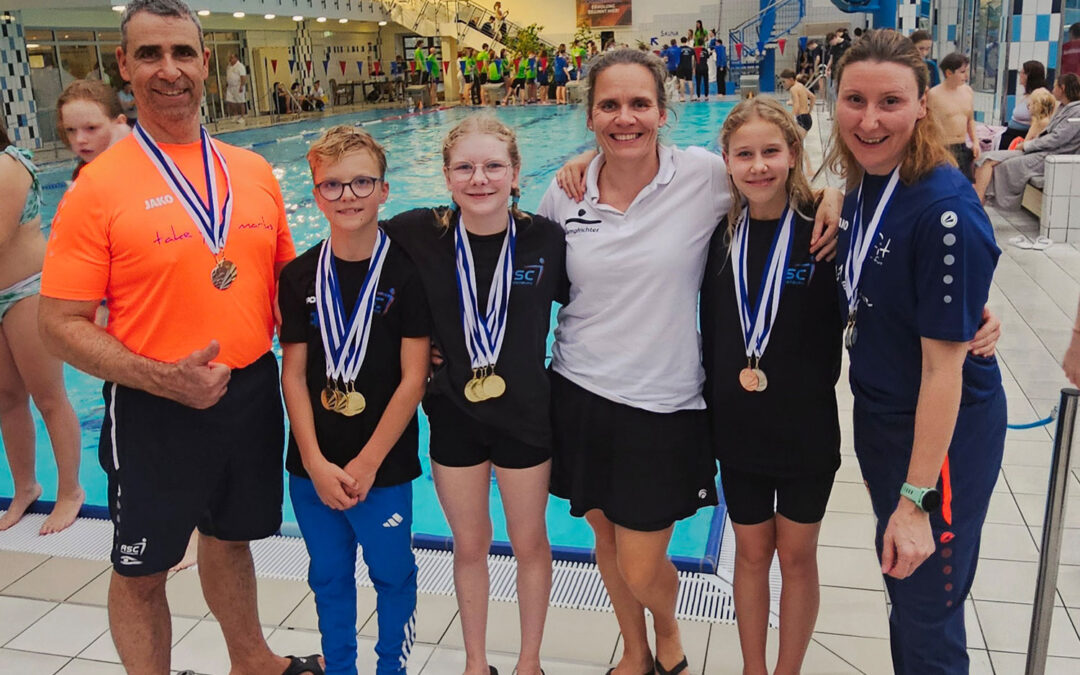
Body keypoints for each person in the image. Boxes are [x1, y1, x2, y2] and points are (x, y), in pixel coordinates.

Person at [37, 2, 319, 673]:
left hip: (248, 393)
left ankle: (252, 660)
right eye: (151, 54)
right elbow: (57, 323)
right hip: (152, 404)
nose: (170, 70)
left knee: (230, 538)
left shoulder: (251, 170)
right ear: (125, 67)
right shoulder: (96, 187)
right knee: (142, 567)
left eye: (183, 53)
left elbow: (286, 288)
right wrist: (162, 377)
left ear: (206, 62)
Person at [543, 48, 844, 675]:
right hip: (577, 390)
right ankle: (635, 650)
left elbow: (780, 181)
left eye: (639, 104)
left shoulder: (704, 176)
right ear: (590, 114)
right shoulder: (564, 190)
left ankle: (668, 625)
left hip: (663, 401)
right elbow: (531, 281)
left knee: (641, 562)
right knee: (603, 537)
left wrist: (834, 195)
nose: (625, 118)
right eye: (609, 105)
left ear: (663, 111)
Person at [826, 29, 1005, 674]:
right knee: (907, 595)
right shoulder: (877, 177)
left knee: (929, 613)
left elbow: (942, 370)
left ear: (922, 105)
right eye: (855, 100)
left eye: (890, 102)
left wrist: (915, 500)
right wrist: (832, 195)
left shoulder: (944, 209)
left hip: (936, 445)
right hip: (885, 419)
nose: (869, 120)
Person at [383, 114, 566, 675]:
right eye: (465, 167)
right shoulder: (418, 232)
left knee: (530, 542)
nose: (479, 178)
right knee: (469, 545)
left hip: (527, 415)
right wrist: (409, 344)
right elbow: (357, 263)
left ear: (515, 175)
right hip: (454, 414)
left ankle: (529, 661)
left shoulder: (545, 238)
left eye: (493, 167)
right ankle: (475, 662)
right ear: (446, 176)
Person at [279, 126, 430, 675]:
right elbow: (292, 375)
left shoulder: (408, 273)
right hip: (312, 467)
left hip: (383, 467)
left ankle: (391, 668)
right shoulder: (298, 276)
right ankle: (339, 668)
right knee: (328, 576)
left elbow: (414, 379)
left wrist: (366, 464)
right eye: (334, 185)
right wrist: (316, 463)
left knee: (393, 575)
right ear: (316, 194)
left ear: (384, 191)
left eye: (362, 182)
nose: (349, 196)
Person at [701, 95, 841, 675]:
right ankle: (753, 669)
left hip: (806, 433)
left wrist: (977, 319)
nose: (758, 166)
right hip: (737, 433)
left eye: (770, 152)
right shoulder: (716, 237)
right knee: (752, 557)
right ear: (727, 162)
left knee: (798, 559)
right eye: (744, 154)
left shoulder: (824, 233)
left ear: (792, 155)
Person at [0, 122, 84, 537]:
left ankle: (70, 490)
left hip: (26, 291)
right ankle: (25, 486)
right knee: (6, 398)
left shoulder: (8, 165)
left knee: (48, 396)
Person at [973, 73, 1080, 208]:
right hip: (1038, 150)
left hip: (1049, 156)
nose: (1052, 91)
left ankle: (977, 205)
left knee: (1000, 165)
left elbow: (1057, 139)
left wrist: (1027, 145)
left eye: (1055, 87)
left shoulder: (1076, 112)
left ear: (1062, 88)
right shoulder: (1064, 107)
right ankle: (977, 204)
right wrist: (1026, 145)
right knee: (985, 158)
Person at [55, 79, 131, 179]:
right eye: (70, 130)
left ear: (120, 123)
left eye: (91, 128)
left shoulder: (145, 170)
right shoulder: (82, 178)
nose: (79, 139)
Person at [927, 52, 979, 181]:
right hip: (943, 147)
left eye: (967, 71)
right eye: (962, 72)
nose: (966, 76)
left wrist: (975, 142)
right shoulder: (933, 95)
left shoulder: (967, 91)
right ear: (949, 73)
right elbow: (926, 124)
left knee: (966, 185)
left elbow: (970, 119)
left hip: (962, 145)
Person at [998, 60, 1048, 149]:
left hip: (1020, 136)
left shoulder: (1038, 97)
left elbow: (1036, 124)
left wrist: (1024, 144)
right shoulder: (1026, 95)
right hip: (1011, 134)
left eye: (1023, 73)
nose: (1020, 75)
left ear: (1031, 77)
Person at [224, 53, 247, 118]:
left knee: (240, 102)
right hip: (230, 87)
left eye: (232, 57)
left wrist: (241, 86)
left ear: (236, 58)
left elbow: (243, 77)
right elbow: (228, 76)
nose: (230, 59)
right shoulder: (229, 66)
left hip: (238, 86)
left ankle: (242, 116)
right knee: (230, 102)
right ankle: (235, 115)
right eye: (230, 57)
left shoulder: (240, 66)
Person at [677, 37, 695, 102]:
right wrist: (693, 67)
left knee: (682, 82)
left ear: (681, 41)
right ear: (686, 41)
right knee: (690, 81)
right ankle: (692, 97)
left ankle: (682, 97)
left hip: (681, 66)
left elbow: (677, 59)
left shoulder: (679, 49)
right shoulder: (691, 49)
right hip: (689, 67)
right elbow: (693, 59)